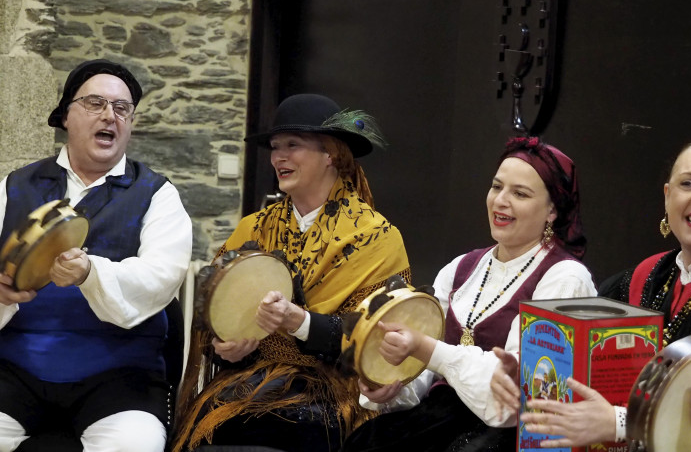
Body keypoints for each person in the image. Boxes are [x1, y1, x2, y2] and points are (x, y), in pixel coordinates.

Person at [171, 94, 410, 452]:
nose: (278, 157)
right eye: (275, 147)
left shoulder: (377, 238)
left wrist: (298, 321)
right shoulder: (253, 229)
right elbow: (215, 321)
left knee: (280, 429)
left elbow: (376, 339)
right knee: (212, 427)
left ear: (331, 154)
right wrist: (228, 349)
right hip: (249, 383)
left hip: (331, 389)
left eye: (293, 146)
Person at [341, 136, 597, 452]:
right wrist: (392, 387)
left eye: (520, 193)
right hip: (436, 420)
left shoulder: (565, 278)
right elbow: (426, 373)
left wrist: (425, 347)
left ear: (552, 211)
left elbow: (516, 397)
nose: (501, 200)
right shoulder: (461, 268)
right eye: (496, 187)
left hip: (505, 435)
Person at [507, 134, 691, 450]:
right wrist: (524, 372)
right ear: (667, 196)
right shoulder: (641, 276)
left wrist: (620, 422)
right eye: (687, 184)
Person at [0, 59, 192, 452]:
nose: (110, 115)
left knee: (133, 445)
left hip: (121, 377)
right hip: (14, 369)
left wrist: (91, 272)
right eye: (95, 103)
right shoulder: (14, 186)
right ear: (66, 116)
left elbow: (162, 277)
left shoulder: (157, 194)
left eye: (122, 108)